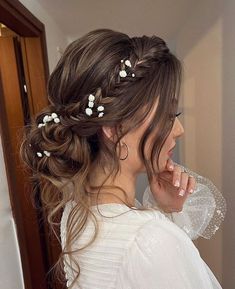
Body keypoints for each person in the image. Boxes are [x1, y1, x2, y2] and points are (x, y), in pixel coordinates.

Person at [20, 28, 226, 289]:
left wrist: (166, 213)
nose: (179, 130)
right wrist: (164, 231)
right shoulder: (147, 240)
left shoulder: (76, 213)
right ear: (115, 127)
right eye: (169, 114)